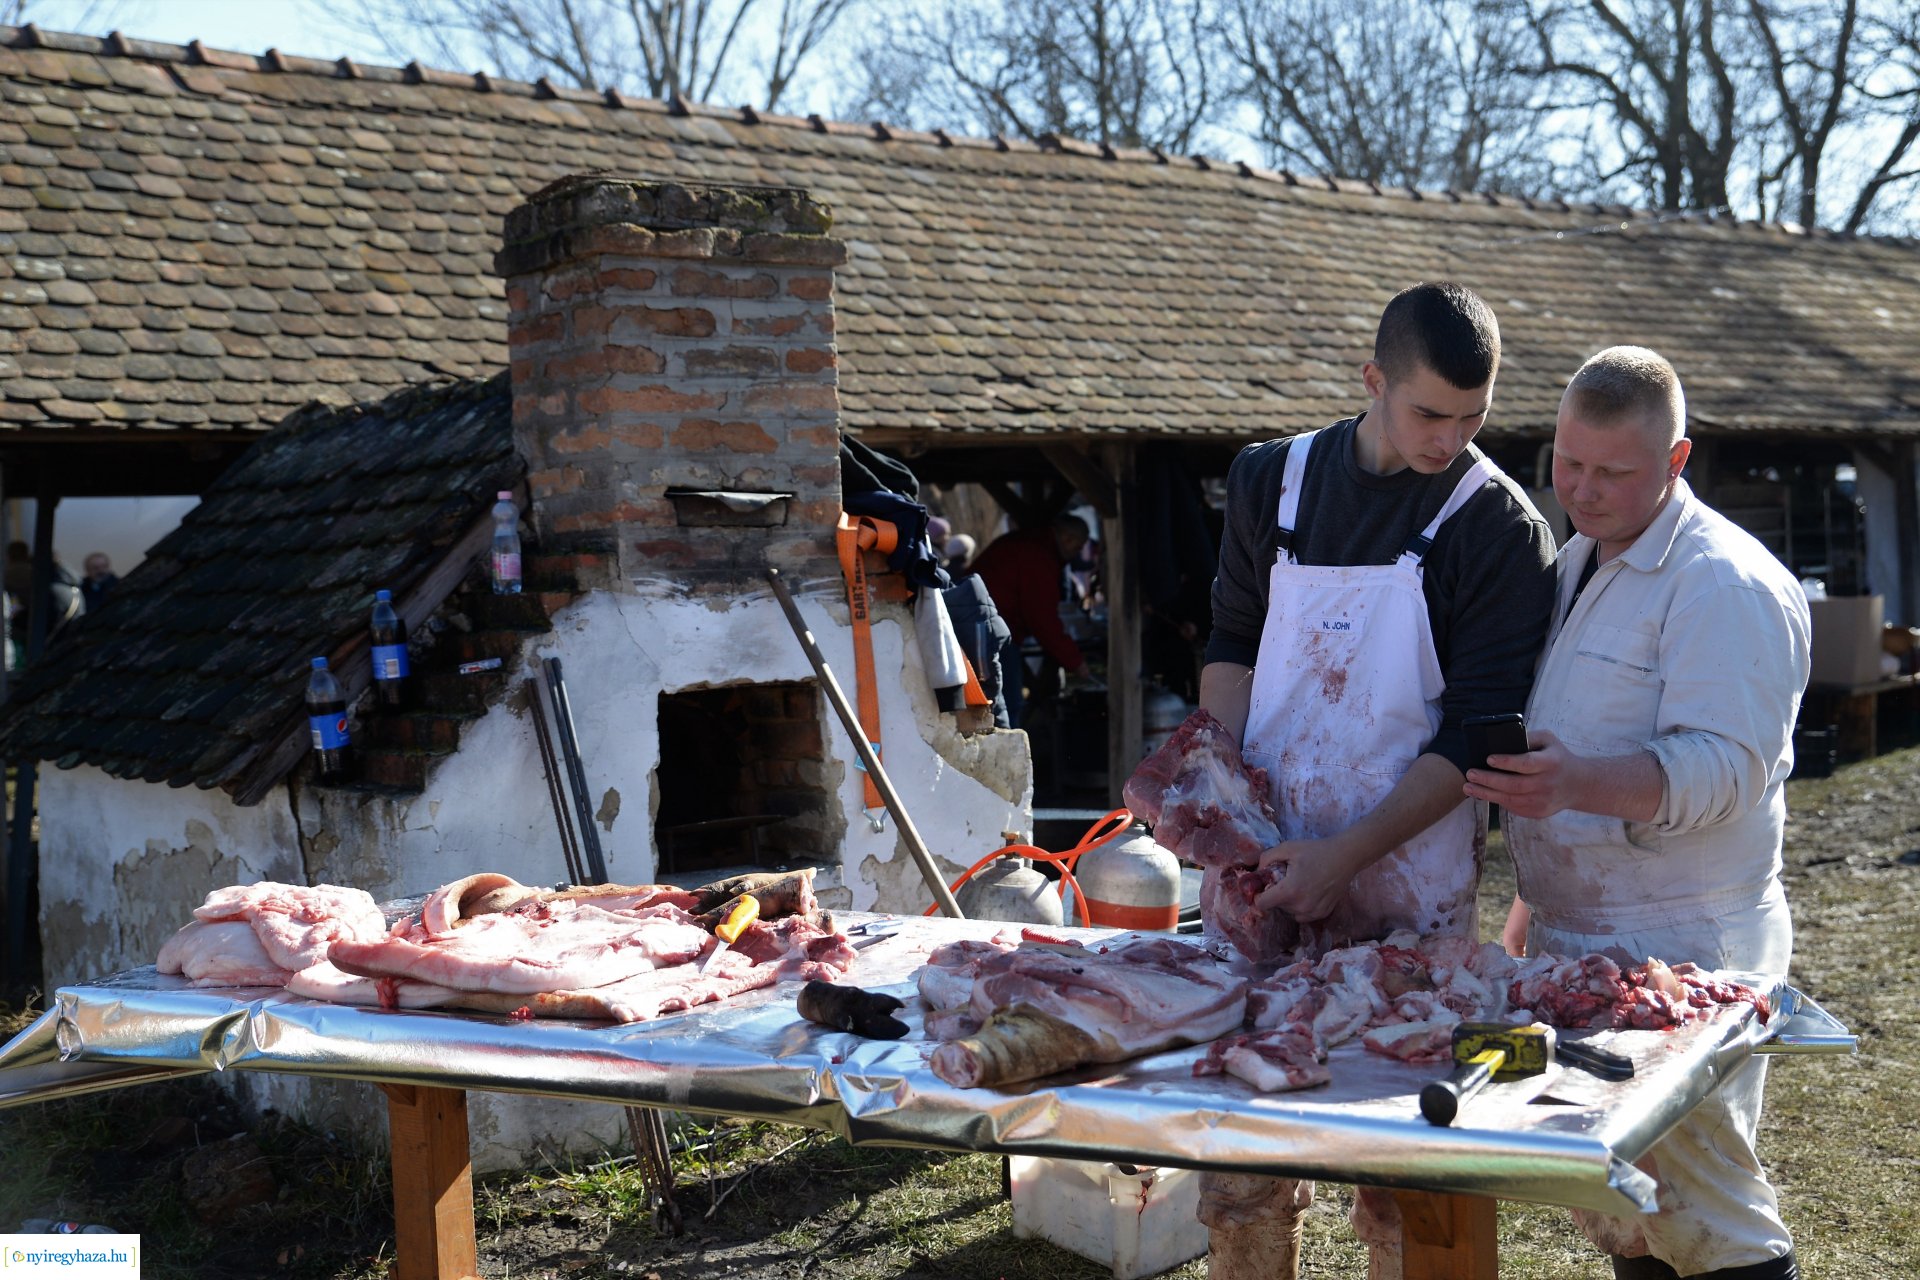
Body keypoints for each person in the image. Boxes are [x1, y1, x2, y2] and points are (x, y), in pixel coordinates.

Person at [1195, 281, 1558, 1278]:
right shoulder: (1271, 480)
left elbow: (1481, 735)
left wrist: (1346, 855)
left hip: (1409, 881)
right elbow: (1231, 642)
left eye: (1473, 416)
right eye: (1429, 412)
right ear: (1373, 380)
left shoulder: (1497, 525)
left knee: (1405, 1164)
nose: (1450, 437)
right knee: (1243, 1153)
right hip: (1261, 861)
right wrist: (1226, 810)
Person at [1467, 347, 1807, 1280]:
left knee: (1708, 1202)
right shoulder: (1577, 554)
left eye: (1614, 472)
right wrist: (1528, 917)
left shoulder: (1724, 584)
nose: (1582, 488)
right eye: (1568, 463)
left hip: (1689, 939)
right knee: (1629, 1196)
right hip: (1582, 934)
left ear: (1677, 459)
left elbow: (1729, 769)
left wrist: (1579, 784)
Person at [969, 514, 1093, 727]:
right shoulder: (1037, 555)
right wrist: (1076, 662)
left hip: (986, 626)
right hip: (988, 631)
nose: (1078, 552)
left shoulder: (1031, 546)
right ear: (1068, 539)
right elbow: (1042, 619)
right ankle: (1008, 758)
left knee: (1002, 702)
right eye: (1078, 546)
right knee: (1006, 704)